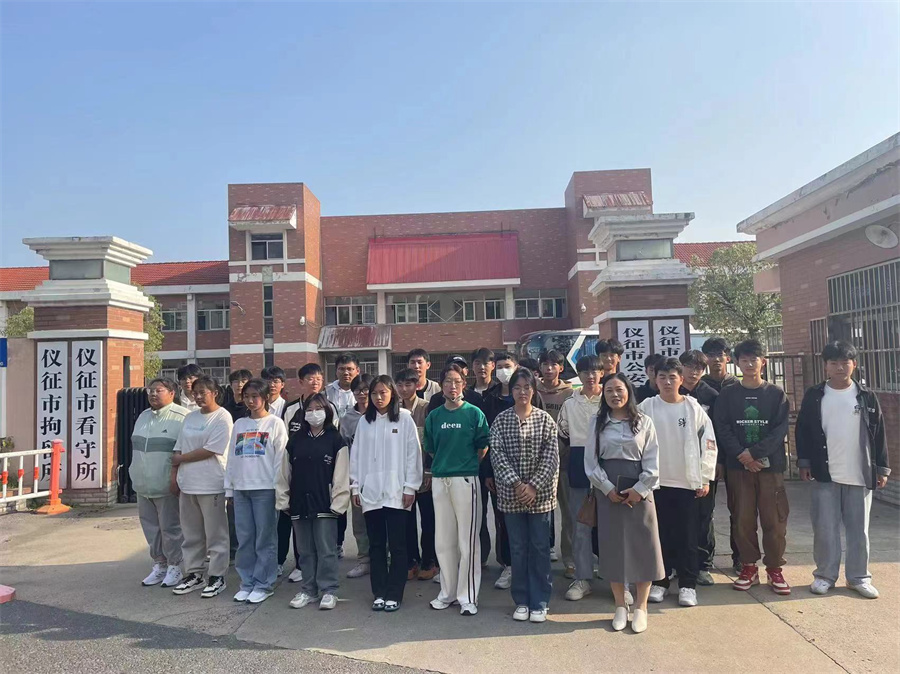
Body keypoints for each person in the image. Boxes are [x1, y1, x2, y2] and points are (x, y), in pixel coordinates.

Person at [796, 341, 890, 599]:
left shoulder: (866, 396)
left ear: (854, 364)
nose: (840, 367)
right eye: (834, 362)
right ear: (825, 366)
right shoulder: (815, 395)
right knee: (825, 529)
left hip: (859, 473)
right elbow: (803, 430)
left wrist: (882, 469)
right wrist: (804, 462)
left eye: (845, 362)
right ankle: (824, 576)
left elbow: (879, 434)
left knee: (859, 530)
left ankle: (858, 577)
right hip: (825, 473)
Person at [584, 373, 663, 634]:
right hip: (608, 490)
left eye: (619, 389)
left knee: (644, 546)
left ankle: (641, 607)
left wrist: (640, 489)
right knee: (613, 547)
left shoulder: (644, 421)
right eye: (609, 390)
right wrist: (607, 489)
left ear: (628, 391)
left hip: (639, 488)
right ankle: (620, 605)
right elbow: (590, 463)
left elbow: (652, 461)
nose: (615, 395)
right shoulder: (597, 422)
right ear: (603, 395)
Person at [713, 339, 791, 595]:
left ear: (763, 362)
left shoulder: (776, 394)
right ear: (736, 363)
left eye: (753, 359)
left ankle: (775, 568)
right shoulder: (728, 394)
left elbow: (780, 430)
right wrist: (742, 455)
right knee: (742, 519)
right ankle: (748, 567)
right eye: (744, 360)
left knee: (774, 519)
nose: (749, 364)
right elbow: (722, 427)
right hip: (738, 468)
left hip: (770, 468)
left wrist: (755, 453)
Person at [640, 358, 717, 607]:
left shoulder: (693, 409)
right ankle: (660, 582)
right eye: (662, 377)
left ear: (681, 379)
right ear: (655, 380)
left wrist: (705, 477)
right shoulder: (646, 407)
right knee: (659, 535)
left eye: (672, 377)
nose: (667, 382)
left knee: (687, 536)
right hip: (655, 483)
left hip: (686, 482)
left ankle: (687, 585)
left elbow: (709, 444)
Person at [489, 368, 559, 624]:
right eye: (517, 387)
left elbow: (551, 457)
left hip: (540, 497)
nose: (522, 392)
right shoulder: (501, 420)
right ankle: (521, 600)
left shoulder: (545, 420)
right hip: (511, 496)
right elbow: (497, 455)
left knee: (540, 548)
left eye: (527, 387)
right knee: (517, 549)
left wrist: (533, 486)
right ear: (511, 391)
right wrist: (518, 484)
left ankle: (540, 601)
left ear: (533, 390)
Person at [350, 375, 423, 612]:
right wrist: (355, 486)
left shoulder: (404, 419)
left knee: (398, 545)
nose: (378, 397)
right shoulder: (365, 422)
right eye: (374, 393)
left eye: (383, 392)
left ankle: (395, 593)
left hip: (396, 492)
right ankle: (379, 592)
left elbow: (413, 454)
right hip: (371, 493)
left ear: (392, 393)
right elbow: (356, 456)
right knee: (376, 545)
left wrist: (410, 487)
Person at [425, 363, 490, 616]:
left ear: (464, 384)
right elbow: (431, 448)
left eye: (457, 381)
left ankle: (468, 597)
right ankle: (448, 593)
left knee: (467, 541)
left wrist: (466, 465)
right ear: (441, 386)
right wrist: (446, 465)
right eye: (448, 382)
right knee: (444, 540)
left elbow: (482, 446)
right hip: (441, 480)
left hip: (466, 480)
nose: (453, 386)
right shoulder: (434, 416)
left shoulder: (474, 413)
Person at [276, 392, 350, 610]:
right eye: (309, 409)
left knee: (326, 549)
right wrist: (284, 500)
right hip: (299, 502)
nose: (313, 413)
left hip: (325, 503)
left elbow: (341, 474)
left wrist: (338, 504)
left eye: (318, 409)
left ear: (327, 411)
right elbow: (284, 473)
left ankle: (329, 590)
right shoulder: (295, 440)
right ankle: (308, 589)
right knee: (305, 551)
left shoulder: (335, 439)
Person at [481, 351, 545, 589]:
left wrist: (534, 483)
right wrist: (490, 472)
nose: (503, 370)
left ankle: (535, 574)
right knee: (505, 523)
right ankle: (509, 564)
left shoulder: (537, 403)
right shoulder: (491, 398)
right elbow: (489, 443)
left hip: (534, 479)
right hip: (504, 476)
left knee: (536, 532)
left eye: (507, 366)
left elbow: (548, 448)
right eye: (498, 366)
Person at [226, 378, 288, 604]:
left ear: (265, 398)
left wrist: (279, 489)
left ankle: (264, 584)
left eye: (255, 396)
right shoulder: (240, 424)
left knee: (265, 539)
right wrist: (229, 488)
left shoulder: (275, 423)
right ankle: (247, 582)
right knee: (245, 539)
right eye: (247, 397)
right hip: (241, 488)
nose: (251, 401)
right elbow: (232, 457)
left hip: (265, 489)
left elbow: (280, 459)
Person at [170, 375, 233, 598]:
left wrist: (181, 459)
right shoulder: (190, 417)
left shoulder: (223, 417)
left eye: (202, 393)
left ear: (215, 393)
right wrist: (174, 475)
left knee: (216, 534)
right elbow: (178, 447)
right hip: (188, 484)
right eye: (195, 393)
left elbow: (212, 449)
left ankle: (217, 576)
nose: (197, 397)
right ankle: (194, 573)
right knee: (191, 533)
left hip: (211, 484)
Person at [130, 377, 190, 589]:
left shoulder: (182, 417)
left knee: (170, 528)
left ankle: (175, 565)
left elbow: (183, 452)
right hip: (143, 484)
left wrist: (175, 478)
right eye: (151, 390)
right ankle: (160, 564)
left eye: (159, 390)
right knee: (151, 528)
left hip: (166, 484)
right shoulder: (143, 416)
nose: (153, 394)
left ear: (172, 393)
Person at [557, 355, 604, 595]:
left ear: (602, 373)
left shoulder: (611, 399)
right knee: (580, 524)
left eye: (594, 371)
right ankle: (582, 577)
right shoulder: (570, 403)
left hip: (608, 465)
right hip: (578, 465)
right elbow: (562, 436)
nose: (590, 376)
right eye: (585, 372)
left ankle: (617, 578)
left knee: (611, 525)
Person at [679, 349, 720, 586]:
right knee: (678, 515)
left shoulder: (711, 396)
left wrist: (716, 464)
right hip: (675, 466)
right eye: (689, 366)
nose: (694, 372)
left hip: (704, 465)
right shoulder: (672, 393)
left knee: (704, 515)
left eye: (699, 368)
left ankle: (703, 565)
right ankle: (676, 563)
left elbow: (718, 433)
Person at [701, 337, 741, 572]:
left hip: (735, 456)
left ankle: (740, 558)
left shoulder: (737, 386)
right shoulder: (700, 387)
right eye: (711, 355)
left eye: (720, 354)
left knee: (740, 510)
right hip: (708, 458)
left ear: (728, 357)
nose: (716, 359)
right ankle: (705, 560)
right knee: (705, 511)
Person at [396, 368, 437, 581]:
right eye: (400, 385)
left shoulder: (427, 408)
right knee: (406, 521)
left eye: (408, 384)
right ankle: (411, 560)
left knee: (429, 520)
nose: (404, 389)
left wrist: (429, 471)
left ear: (416, 385)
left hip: (424, 474)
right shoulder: (394, 410)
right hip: (402, 477)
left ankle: (429, 560)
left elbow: (431, 442)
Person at [537, 350, 574, 564]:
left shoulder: (570, 394)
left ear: (561, 367)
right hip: (539, 462)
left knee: (569, 512)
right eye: (545, 364)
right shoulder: (533, 390)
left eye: (554, 364)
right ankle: (543, 553)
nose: (549, 368)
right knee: (541, 512)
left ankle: (569, 559)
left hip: (565, 460)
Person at [340, 373, 375, 579]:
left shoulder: (380, 414)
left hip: (379, 475)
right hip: (358, 477)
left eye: (365, 389)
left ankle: (382, 557)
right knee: (360, 522)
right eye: (357, 390)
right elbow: (344, 448)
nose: (362, 394)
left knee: (379, 520)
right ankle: (364, 560)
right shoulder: (347, 419)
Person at [326, 353, 360, 418]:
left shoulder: (364, 392)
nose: (346, 373)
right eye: (341, 369)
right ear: (336, 371)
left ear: (358, 371)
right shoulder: (327, 392)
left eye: (349, 369)